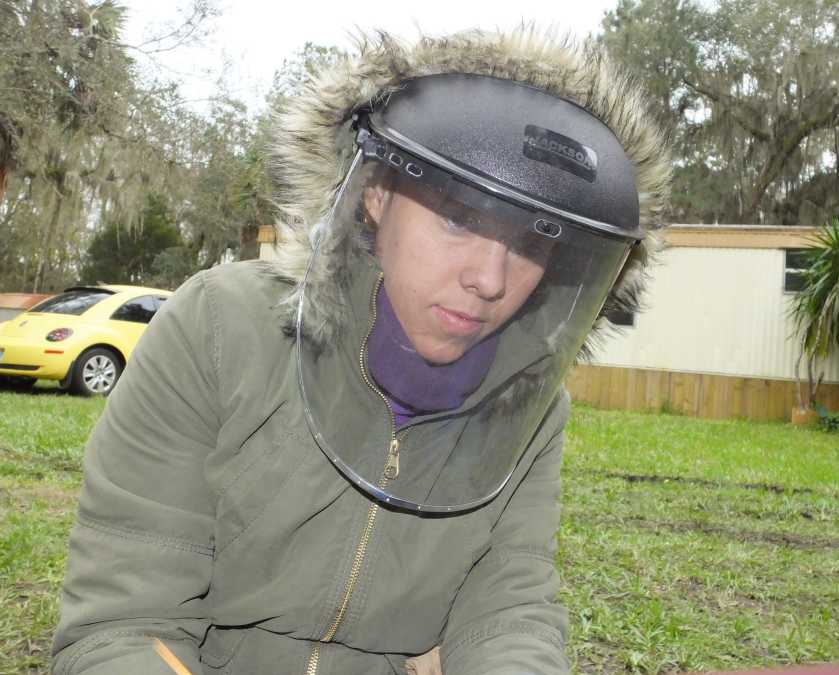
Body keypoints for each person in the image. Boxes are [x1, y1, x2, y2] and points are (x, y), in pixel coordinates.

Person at [51, 28, 670, 675]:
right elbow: (120, 625)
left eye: (532, 243)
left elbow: (508, 606)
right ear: (376, 192)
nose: (491, 278)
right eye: (460, 218)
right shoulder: (218, 327)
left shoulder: (531, 406)